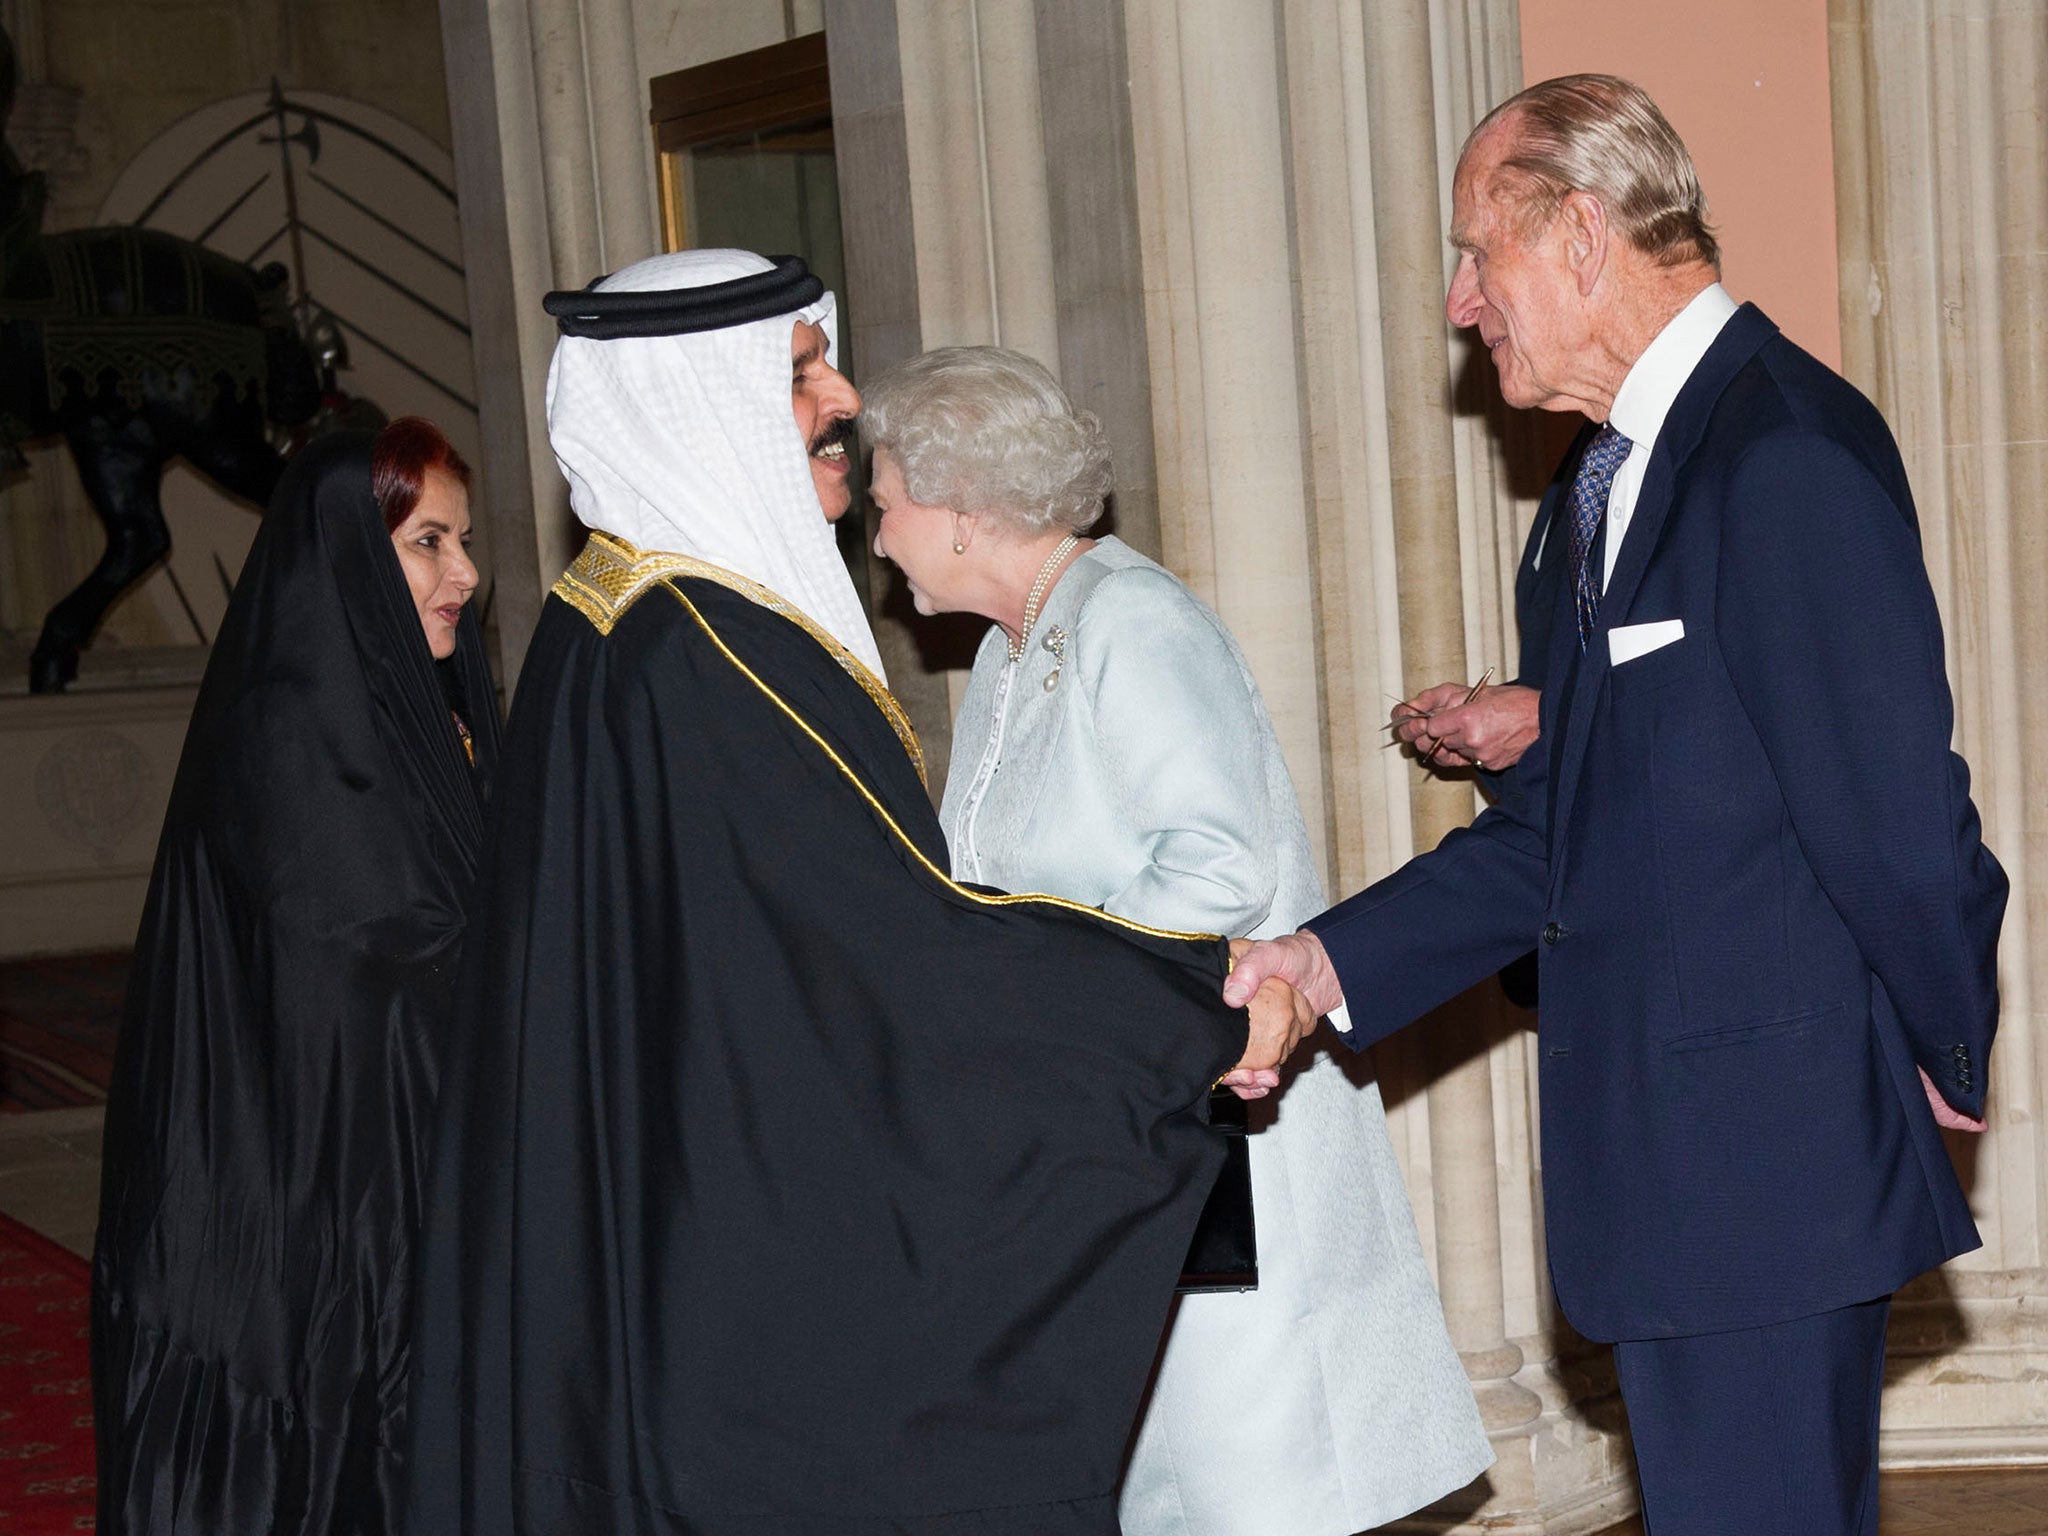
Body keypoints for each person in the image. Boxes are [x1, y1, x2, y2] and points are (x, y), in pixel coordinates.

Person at [404, 249, 1313, 1536]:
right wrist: (1191, 1008)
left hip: (676, 1223)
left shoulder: (615, 621)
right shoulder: (701, 648)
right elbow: (897, 953)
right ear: (693, 402)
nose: (841, 401)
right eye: (798, 374)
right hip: (730, 1256)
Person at [1227, 75, 2007, 1536]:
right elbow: (1557, 834)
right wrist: (1320, 961)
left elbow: (1902, 816)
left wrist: (1945, 1038)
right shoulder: (1591, 494)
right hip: (1675, 1174)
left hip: (1762, 1173)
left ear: (1580, 233)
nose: (1462, 304)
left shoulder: (1782, 453)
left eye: (1480, 254)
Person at [859, 344, 1492, 1534]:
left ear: (954, 511)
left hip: (1209, 1123)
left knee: (1241, 1480)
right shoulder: (1007, 651)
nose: (879, 537)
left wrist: (1041, 990)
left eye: (887, 506)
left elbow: (1216, 868)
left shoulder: (1130, 622)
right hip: (1103, 1128)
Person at [92, 418, 497, 1534]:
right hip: (304, 1227)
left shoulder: (429, 717)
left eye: (462, 539)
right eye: (428, 543)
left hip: (396, 1187)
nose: (465, 573)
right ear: (349, 554)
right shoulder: (290, 732)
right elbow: (368, 976)